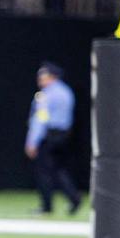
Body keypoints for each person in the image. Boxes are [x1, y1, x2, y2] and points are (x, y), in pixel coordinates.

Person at [26, 61, 81, 215]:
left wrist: (32, 141)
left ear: (52, 76)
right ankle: (74, 197)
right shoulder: (66, 92)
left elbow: (41, 118)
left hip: (48, 136)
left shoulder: (46, 95)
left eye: (42, 75)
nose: (39, 79)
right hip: (63, 136)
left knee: (43, 171)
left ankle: (46, 205)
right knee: (58, 169)